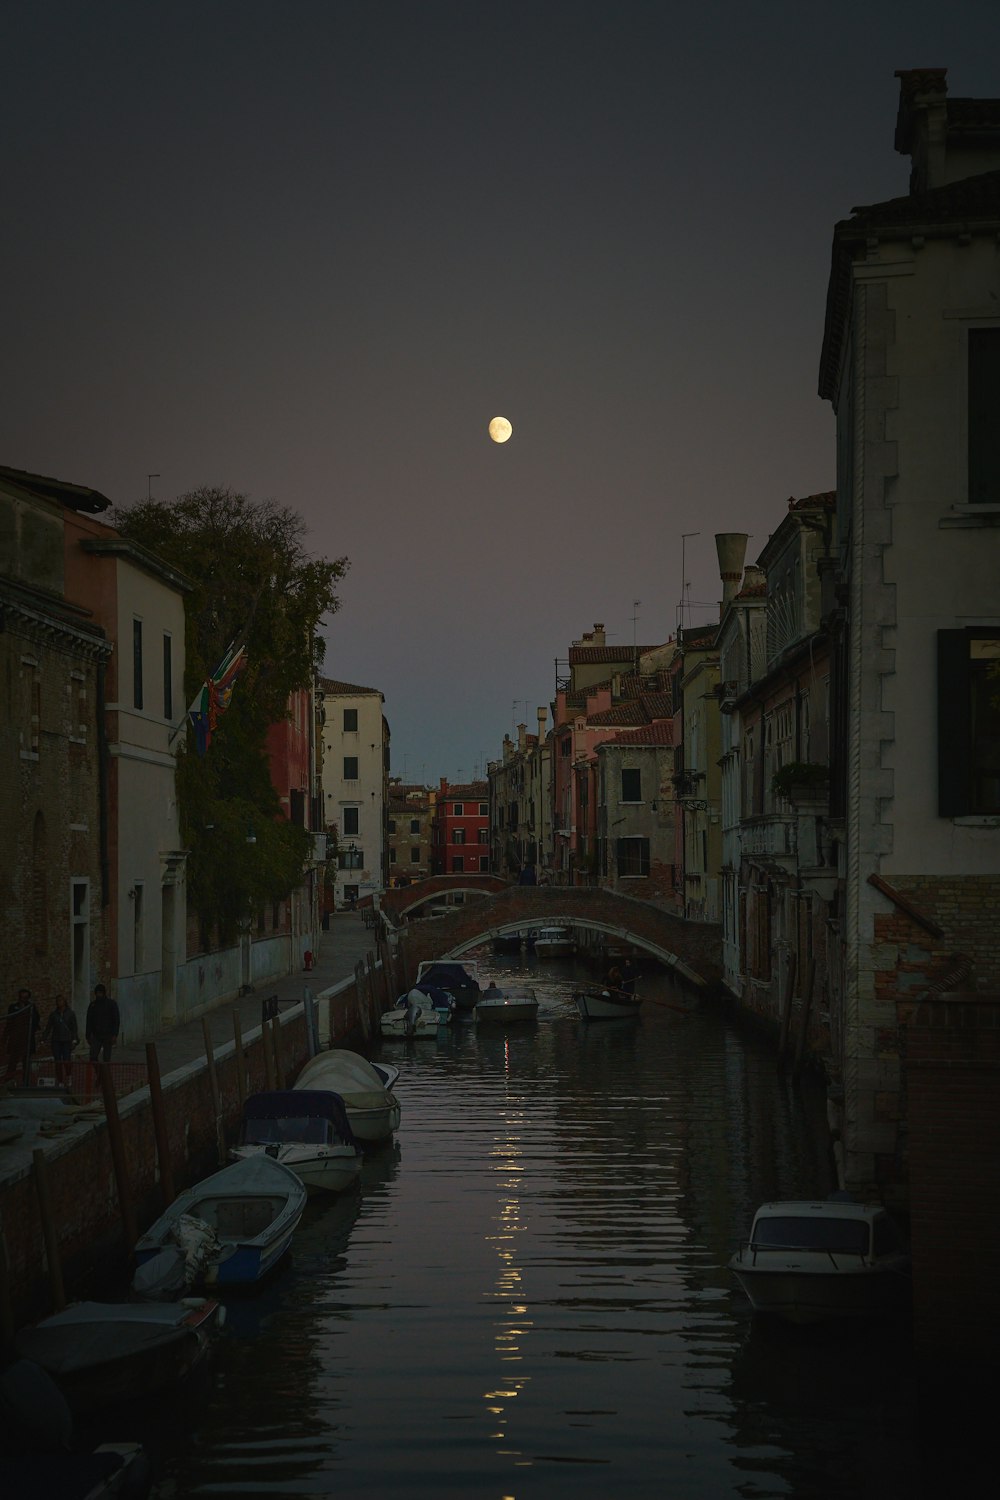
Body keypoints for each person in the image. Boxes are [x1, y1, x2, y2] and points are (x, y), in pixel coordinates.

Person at [43, 994, 79, 1086]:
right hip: (56, 1040)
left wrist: (74, 1040)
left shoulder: (70, 1013)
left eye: (61, 1000)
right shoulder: (53, 1014)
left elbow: (74, 1028)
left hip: (67, 1040)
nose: (59, 1002)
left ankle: (68, 1075)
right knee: (58, 1061)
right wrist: (43, 1038)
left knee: (66, 1060)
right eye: (57, 1000)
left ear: (64, 1001)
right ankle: (60, 1080)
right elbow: (49, 1027)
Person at [86, 983, 120, 1063]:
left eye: (100, 993)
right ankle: (99, 1072)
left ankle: (105, 1074)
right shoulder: (93, 1005)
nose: (98, 995)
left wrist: (115, 1034)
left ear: (104, 993)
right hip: (96, 1035)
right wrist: (88, 1035)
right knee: (93, 1056)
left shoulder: (111, 1004)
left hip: (108, 1034)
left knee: (106, 1058)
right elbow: (89, 1021)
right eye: (97, 993)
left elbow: (116, 1020)